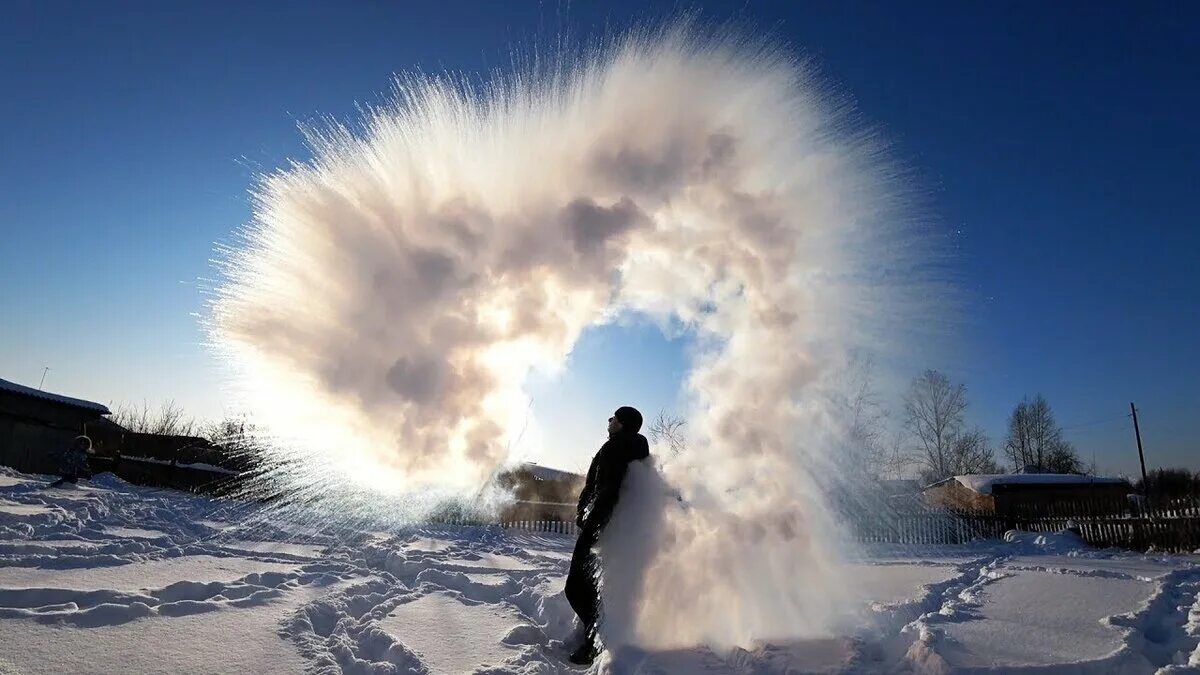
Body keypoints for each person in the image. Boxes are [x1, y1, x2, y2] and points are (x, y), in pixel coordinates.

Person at [565, 406, 650, 665]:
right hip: (616, 528)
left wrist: (593, 524)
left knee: (575, 588)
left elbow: (608, 490)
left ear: (622, 424)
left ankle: (594, 641)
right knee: (592, 587)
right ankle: (597, 636)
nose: (610, 420)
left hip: (600, 527)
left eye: (614, 417)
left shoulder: (615, 448)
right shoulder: (634, 449)